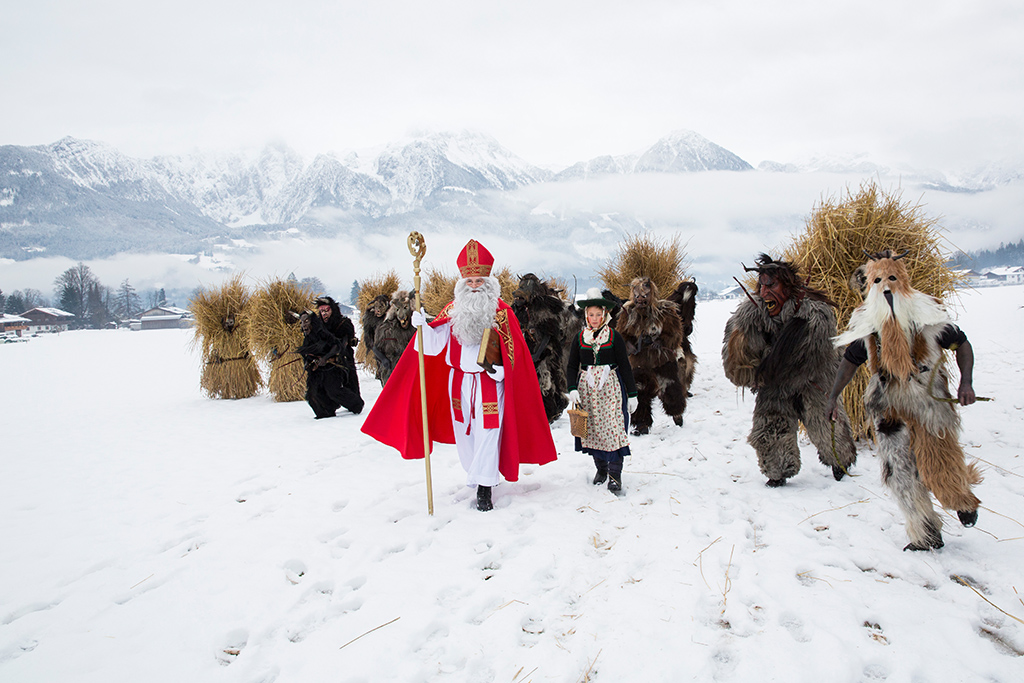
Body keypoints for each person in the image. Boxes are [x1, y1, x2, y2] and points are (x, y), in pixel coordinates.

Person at [361, 239, 557, 511]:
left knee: (489, 431)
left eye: (479, 280)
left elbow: (515, 355)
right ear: (462, 282)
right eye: (470, 281)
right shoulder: (452, 311)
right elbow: (431, 347)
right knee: (466, 435)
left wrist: (501, 372)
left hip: (491, 381)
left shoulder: (502, 313)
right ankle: (476, 477)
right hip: (460, 383)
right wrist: (423, 327)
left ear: (488, 281)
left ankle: (485, 487)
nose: (474, 285)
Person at [827, 249, 981, 551]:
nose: (886, 286)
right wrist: (833, 397)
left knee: (939, 460)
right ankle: (925, 534)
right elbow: (850, 361)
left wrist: (967, 382)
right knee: (898, 472)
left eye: (892, 278)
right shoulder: (866, 324)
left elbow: (962, 343)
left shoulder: (927, 316)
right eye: (879, 280)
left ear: (903, 281)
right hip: (887, 402)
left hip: (928, 400)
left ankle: (961, 500)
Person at [722, 254, 857, 487]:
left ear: (787, 285)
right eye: (761, 286)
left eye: (772, 285)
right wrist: (746, 353)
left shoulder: (815, 313)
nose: (764, 293)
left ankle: (839, 461)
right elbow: (738, 358)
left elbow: (807, 356)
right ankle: (778, 470)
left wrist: (769, 363)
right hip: (773, 384)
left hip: (814, 377)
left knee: (825, 425)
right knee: (769, 427)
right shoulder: (752, 314)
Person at [566, 288, 638, 494]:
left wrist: (632, 394)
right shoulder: (580, 338)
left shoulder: (614, 337)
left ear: (605, 314)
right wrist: (572, 388)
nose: (595, 318)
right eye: (591, 314)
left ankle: (615, 476)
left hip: (611, 389)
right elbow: (571, 365)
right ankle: (601, 469)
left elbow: (625, 365)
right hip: (587, 390)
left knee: (614, 430)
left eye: (599, 314)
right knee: (594, 430)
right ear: (586, 315)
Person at [295, 305, 364, 418]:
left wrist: (325, 358)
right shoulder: (307, 338)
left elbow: (337, 346)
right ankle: (325, 412)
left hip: (331, 367)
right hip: (317, 371)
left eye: (306, 321)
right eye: (302, 322)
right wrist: (308, 363)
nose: (304, 325)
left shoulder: (322, 333)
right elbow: (306, 354)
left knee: (334, 390)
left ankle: (356, 404)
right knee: (312, 394)